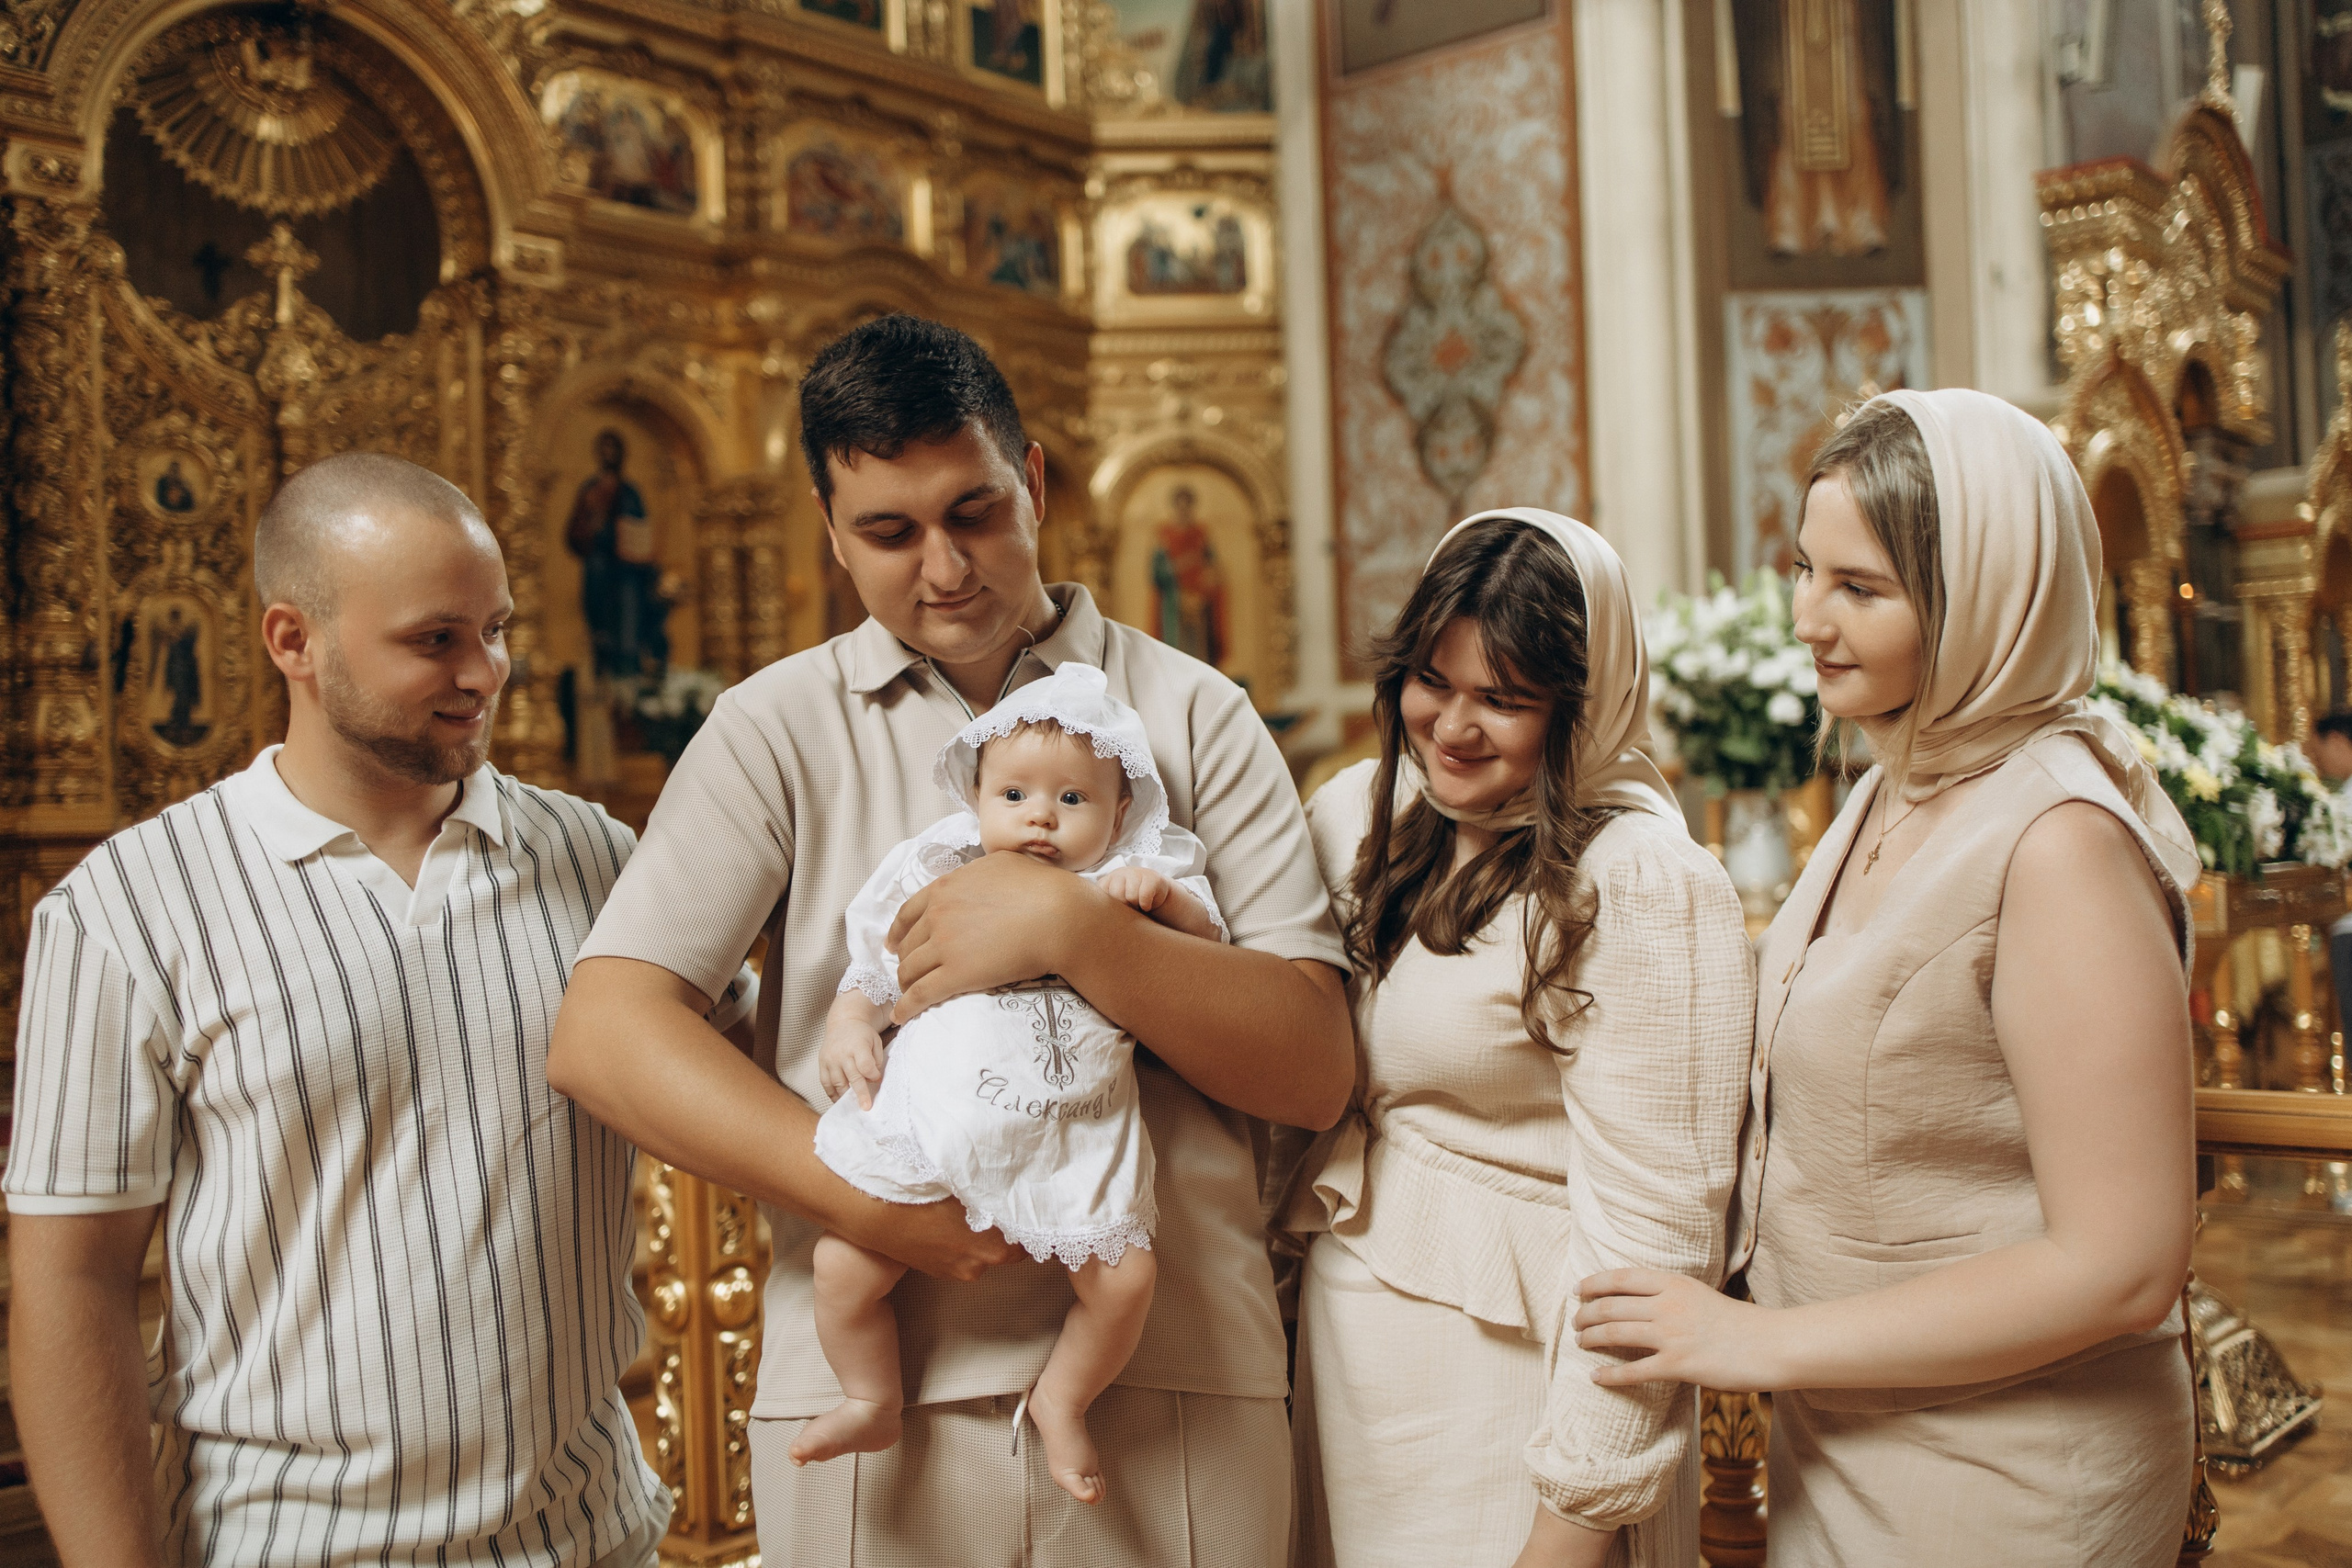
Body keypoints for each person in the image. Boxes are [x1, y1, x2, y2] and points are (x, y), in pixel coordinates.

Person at [547, 313, 1352, 1565]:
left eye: (974, 511)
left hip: (1173, 1377)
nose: (945, 567)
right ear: (830, 531)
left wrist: (1077, 929)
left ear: (1031, 480)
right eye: (890, 532)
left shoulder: (1194, 711)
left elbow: (1312, 1066)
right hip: (875, 1399)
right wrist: (872, 1204)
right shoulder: (775, 728)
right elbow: (604, 1034)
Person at [5, 451, 752, 1565]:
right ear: (292, 642)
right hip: (285, 1543)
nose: (485, 672)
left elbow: (765, 1053)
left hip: (591, 1535)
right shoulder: (123, 910)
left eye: (495, 629)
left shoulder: (601, 858)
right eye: (435, 640)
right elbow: (72, 1282)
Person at [1575, 390, 2201, 1564]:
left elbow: (2123, 1266)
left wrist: (1758, 1345)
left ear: (1981, 604)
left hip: (2011, 1465)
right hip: (1850, 1435)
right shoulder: (1889, 781)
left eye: (1860, 590)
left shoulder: (2057, 841)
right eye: (1805, 570)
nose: (1809, 618)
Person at [1284, 511, 1752, 1568]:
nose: (1451, 726)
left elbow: (1656, 1238)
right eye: (1430, 681)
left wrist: (1577, 1516)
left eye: (1503, 699)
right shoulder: (1356, 812)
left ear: (1584, 707)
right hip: (1349, 1357)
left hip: (1511, 1384)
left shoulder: (1638, 881)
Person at [799, 664, 1228, 1501]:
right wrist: (849, 1025)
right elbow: (878, 967)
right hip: (941, 1121)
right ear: (976, 797)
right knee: (843, 1265)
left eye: (1073, 800)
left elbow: (1209, 954)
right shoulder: (945, 873)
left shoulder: (1129, 882)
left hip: (1073, 1131)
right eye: (1016, 795)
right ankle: (870, 1393)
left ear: (1122, 811)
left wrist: (1164, 906)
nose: (1041, 815)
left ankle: (1063, 1399)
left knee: (1126, 1279)